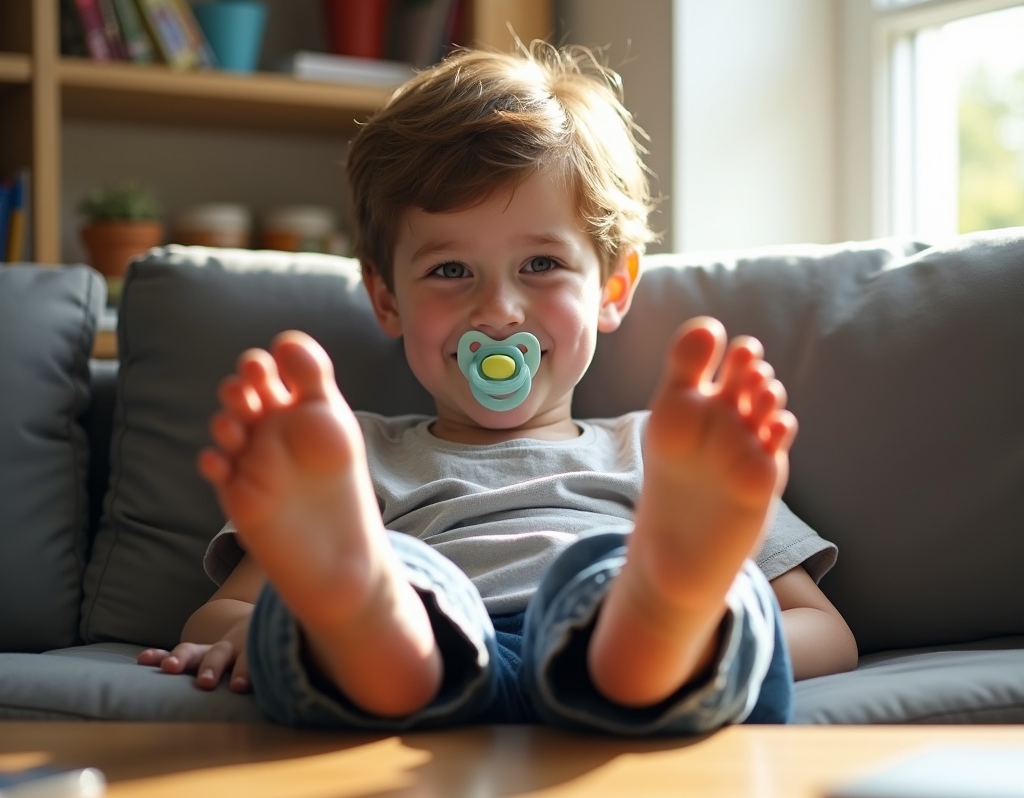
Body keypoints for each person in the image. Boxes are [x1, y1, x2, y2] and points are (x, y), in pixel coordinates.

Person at [139, 42, 857, 733]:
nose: (497, 312)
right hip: (421, 640)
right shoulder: (345, 451)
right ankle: (362, 603)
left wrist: (709, 624)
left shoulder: (668, 450)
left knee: (628, 589)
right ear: (387, 299)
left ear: (613, 288)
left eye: (541, 264)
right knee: (403, 583)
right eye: (451, 271)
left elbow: (824, 628)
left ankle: (665, 613)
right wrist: (244, 633)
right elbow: (218, 614)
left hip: (613, 640)